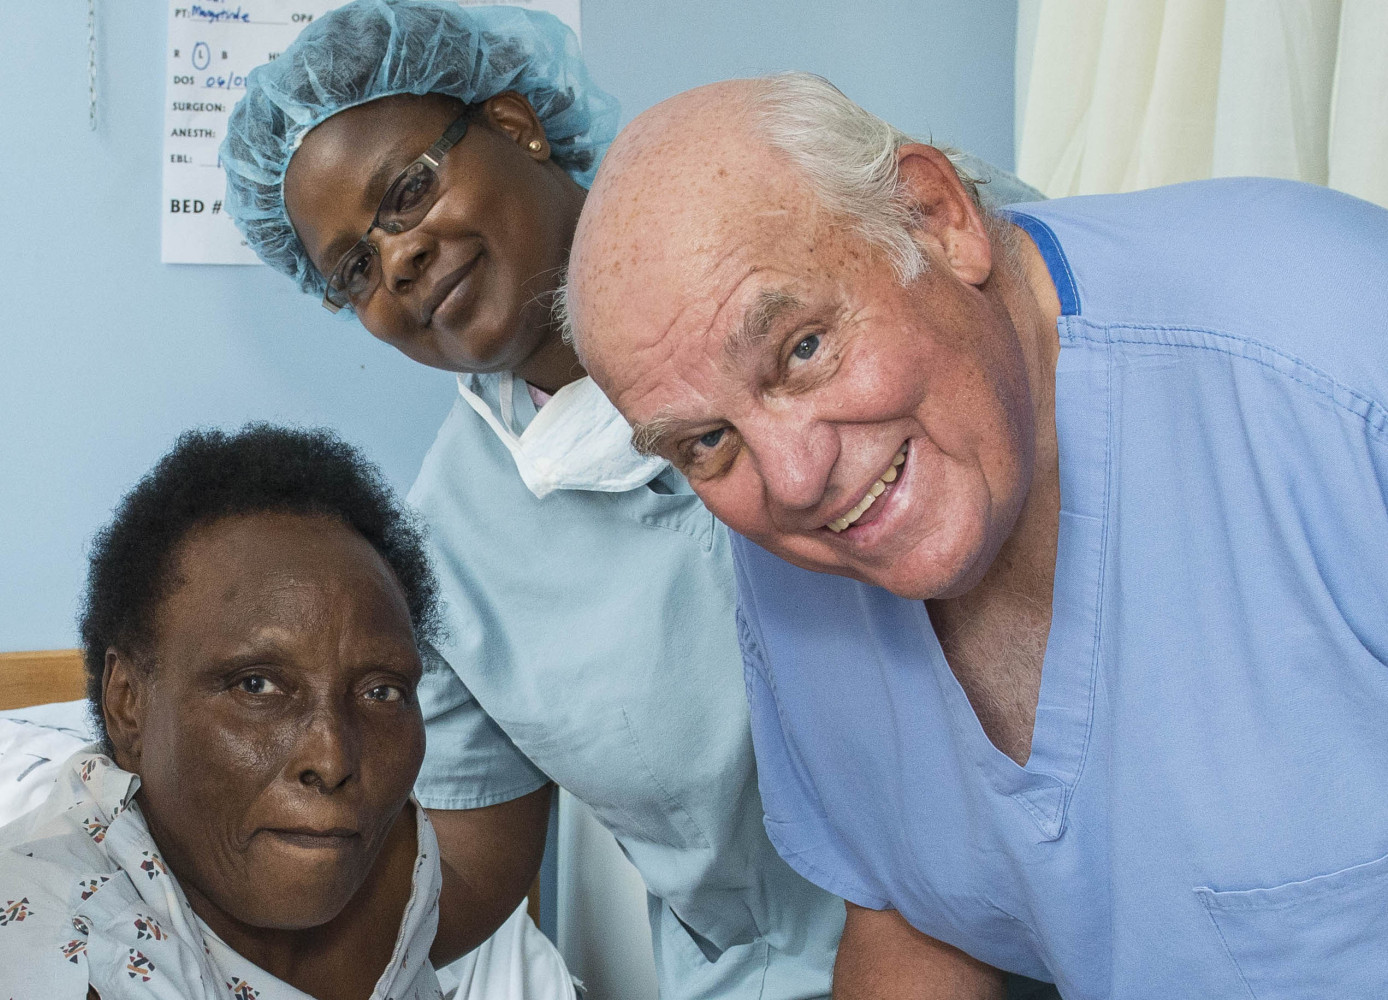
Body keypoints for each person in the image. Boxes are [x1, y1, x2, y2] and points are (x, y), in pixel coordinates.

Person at [221, 4, 1049, 998]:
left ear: (518, 124)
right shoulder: (449, 546)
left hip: (1075, 918)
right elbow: (478, 854)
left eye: (407, 191)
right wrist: (235, 926)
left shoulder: (815, 220)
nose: (395, 260)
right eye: (353, 268)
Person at [564, 71, 1388, 999]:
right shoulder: (803, 529)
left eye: (803, 348)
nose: (793, 479)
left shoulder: (1338, 356)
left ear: (935, 216)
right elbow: (917, 911)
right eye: (707, 441)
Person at [0, 425, 447, 999]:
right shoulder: (57, 957)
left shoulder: (400, 858)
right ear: (128, 705)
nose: (332, 758)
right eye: (256, 685)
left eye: (381, 692)